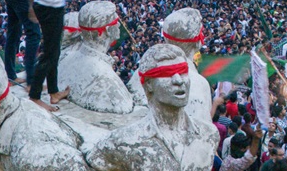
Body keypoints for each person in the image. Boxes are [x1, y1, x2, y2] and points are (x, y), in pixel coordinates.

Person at [85, 44, 219, 170]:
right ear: (149, 84)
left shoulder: (209, 134)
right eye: (167, 73)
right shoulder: (122, 142)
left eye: (182, 71)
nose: (178, 80)